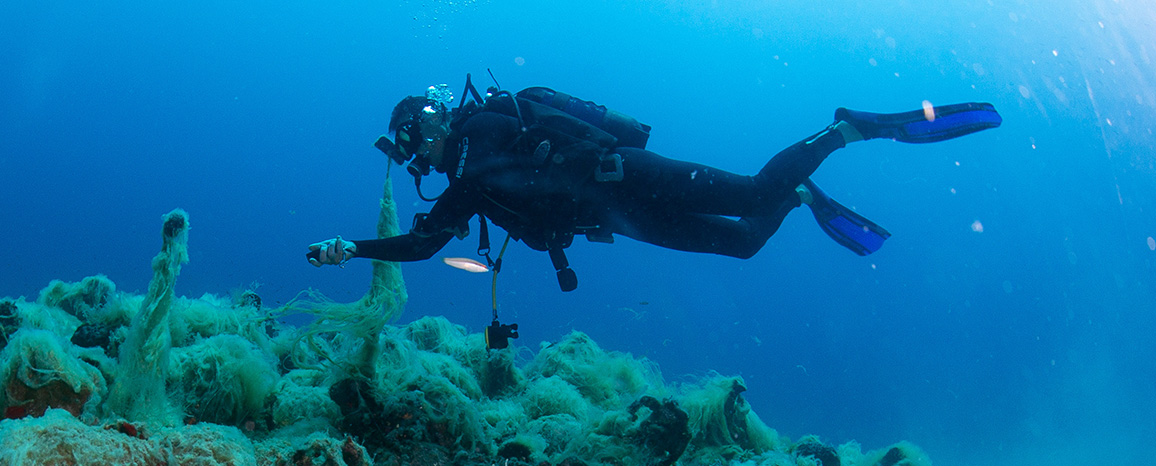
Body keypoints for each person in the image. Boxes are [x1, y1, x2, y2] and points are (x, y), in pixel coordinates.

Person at [308, 84, 1001, 289]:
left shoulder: (488, 120)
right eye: (412, 142)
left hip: (629, 176)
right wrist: (352, 248)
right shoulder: (461, 188)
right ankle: (801, 196)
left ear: (433, 120)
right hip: (621, 217)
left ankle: (845, 130)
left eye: (419, 130)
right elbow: (424, 248)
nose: (421, 145)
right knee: (745, 246)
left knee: (753, 192)